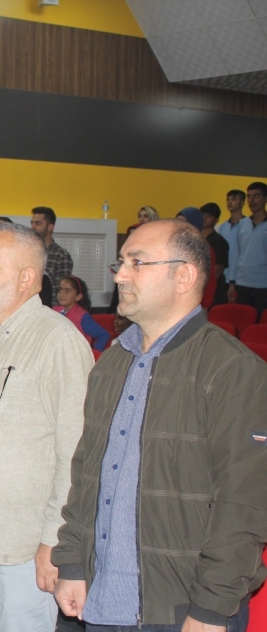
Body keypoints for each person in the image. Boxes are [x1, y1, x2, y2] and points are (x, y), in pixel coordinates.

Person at [52, 219, 267, 631]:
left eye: (137, 262)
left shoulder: (233, 369)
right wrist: (73, 562)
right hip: (101, 599)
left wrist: (211, 608)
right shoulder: (112, 363)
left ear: (183, 276)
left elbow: (243, 506)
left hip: (180, 609)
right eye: (120, 263)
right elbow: (87, 475)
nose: (120, 275)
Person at [0, 222, 92, 632]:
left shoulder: (58, 341)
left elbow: (76, 454)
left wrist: (54, 543)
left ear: (27, 278)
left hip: (23, 550)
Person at [230, 181, 267, 317]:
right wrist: (232, 282)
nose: (251, 200)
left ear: (265, 198)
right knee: (242, 321)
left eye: (256, 196)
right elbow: (237, 254)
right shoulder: (243, 223)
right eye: (249, 196)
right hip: (243, 284)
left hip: (264, 285)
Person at [176, 208, 218, 311]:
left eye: (184, 223)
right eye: (177, 222)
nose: (178, 226)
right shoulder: (175, 246)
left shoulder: (203, 248)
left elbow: (207, 280)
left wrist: (204, 304)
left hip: (197, 303)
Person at [54, 276, 110, 352]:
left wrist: (94, 354)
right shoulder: (55, 311)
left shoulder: (82, 317)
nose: (61, 294)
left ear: (78, 296)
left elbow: (103, 335)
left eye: (67, 291)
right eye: (60, 290)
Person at [31, 207, 74, 304]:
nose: (33, 227)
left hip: (48, 308)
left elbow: (61, 293)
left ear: (50, 227)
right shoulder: (27, 251)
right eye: (32, 223)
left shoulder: (61, 256)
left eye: (38, 223)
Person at [199, 203, 230, 306]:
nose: (204, 219)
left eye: (209, 216)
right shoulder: (196, 238)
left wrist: (203, 287)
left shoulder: (219, 241)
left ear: (216, 220)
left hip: (214, 289)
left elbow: (217, 270)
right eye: (202, 215)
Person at [218, 189, 246, 288]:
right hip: (223, 275)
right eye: (228, 199)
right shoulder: (223, 226)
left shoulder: (247, 225)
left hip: (240, 276)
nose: (230, 202)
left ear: (242, 203)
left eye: (234, 199)